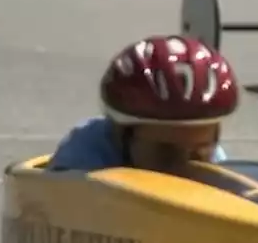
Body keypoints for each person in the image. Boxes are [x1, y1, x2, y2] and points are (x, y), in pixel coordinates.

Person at [46, 34, 238, 175]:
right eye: (165, 154)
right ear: (120, 135)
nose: (182, 172)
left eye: (198, 155)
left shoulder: (216, 159)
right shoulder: (80, 163)